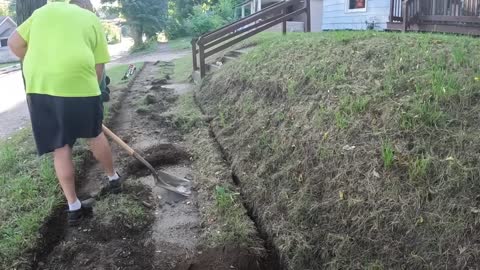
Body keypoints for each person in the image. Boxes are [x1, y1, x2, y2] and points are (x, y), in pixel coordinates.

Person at [8, 0, 122, 226]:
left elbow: (14, 43)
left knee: (60, 147)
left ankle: (74, 207)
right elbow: (99, 64)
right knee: (94, 134)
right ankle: (113, 179)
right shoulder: (89, 18)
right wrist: (93, 89)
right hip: (80, 85)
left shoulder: (39, 14)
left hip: (41, 89)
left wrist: (37, 59)